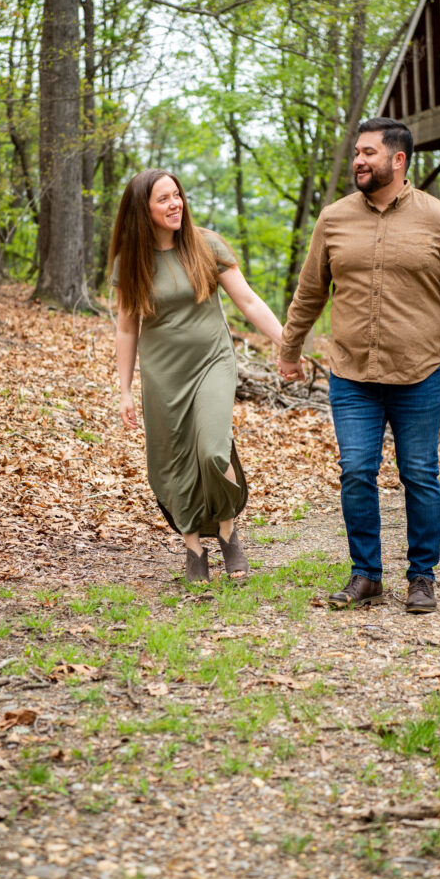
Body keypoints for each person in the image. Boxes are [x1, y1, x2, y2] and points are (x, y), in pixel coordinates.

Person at [278, 118, 440, 613]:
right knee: (356, 471)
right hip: (351, 373)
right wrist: (290, 349)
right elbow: (310, 291)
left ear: (398, 160)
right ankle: (366, 575)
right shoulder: (333, 219)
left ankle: (422, 577)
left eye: (369, 153)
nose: (358, 160)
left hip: (418, 372)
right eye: (356, 152)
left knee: (418, 473)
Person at [110, 168, 287, 583]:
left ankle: (227, 530)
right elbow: (125, 327)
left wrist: (286, 342)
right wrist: (123, 390)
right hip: (162, 374)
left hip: (212, 362)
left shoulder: (205, 245)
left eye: (177, 195)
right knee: (173, 461)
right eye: (164, 199)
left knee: (212, 450)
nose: (175, 205)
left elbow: (247, 299)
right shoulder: (130, 262)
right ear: (143, 210)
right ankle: (193, 549)